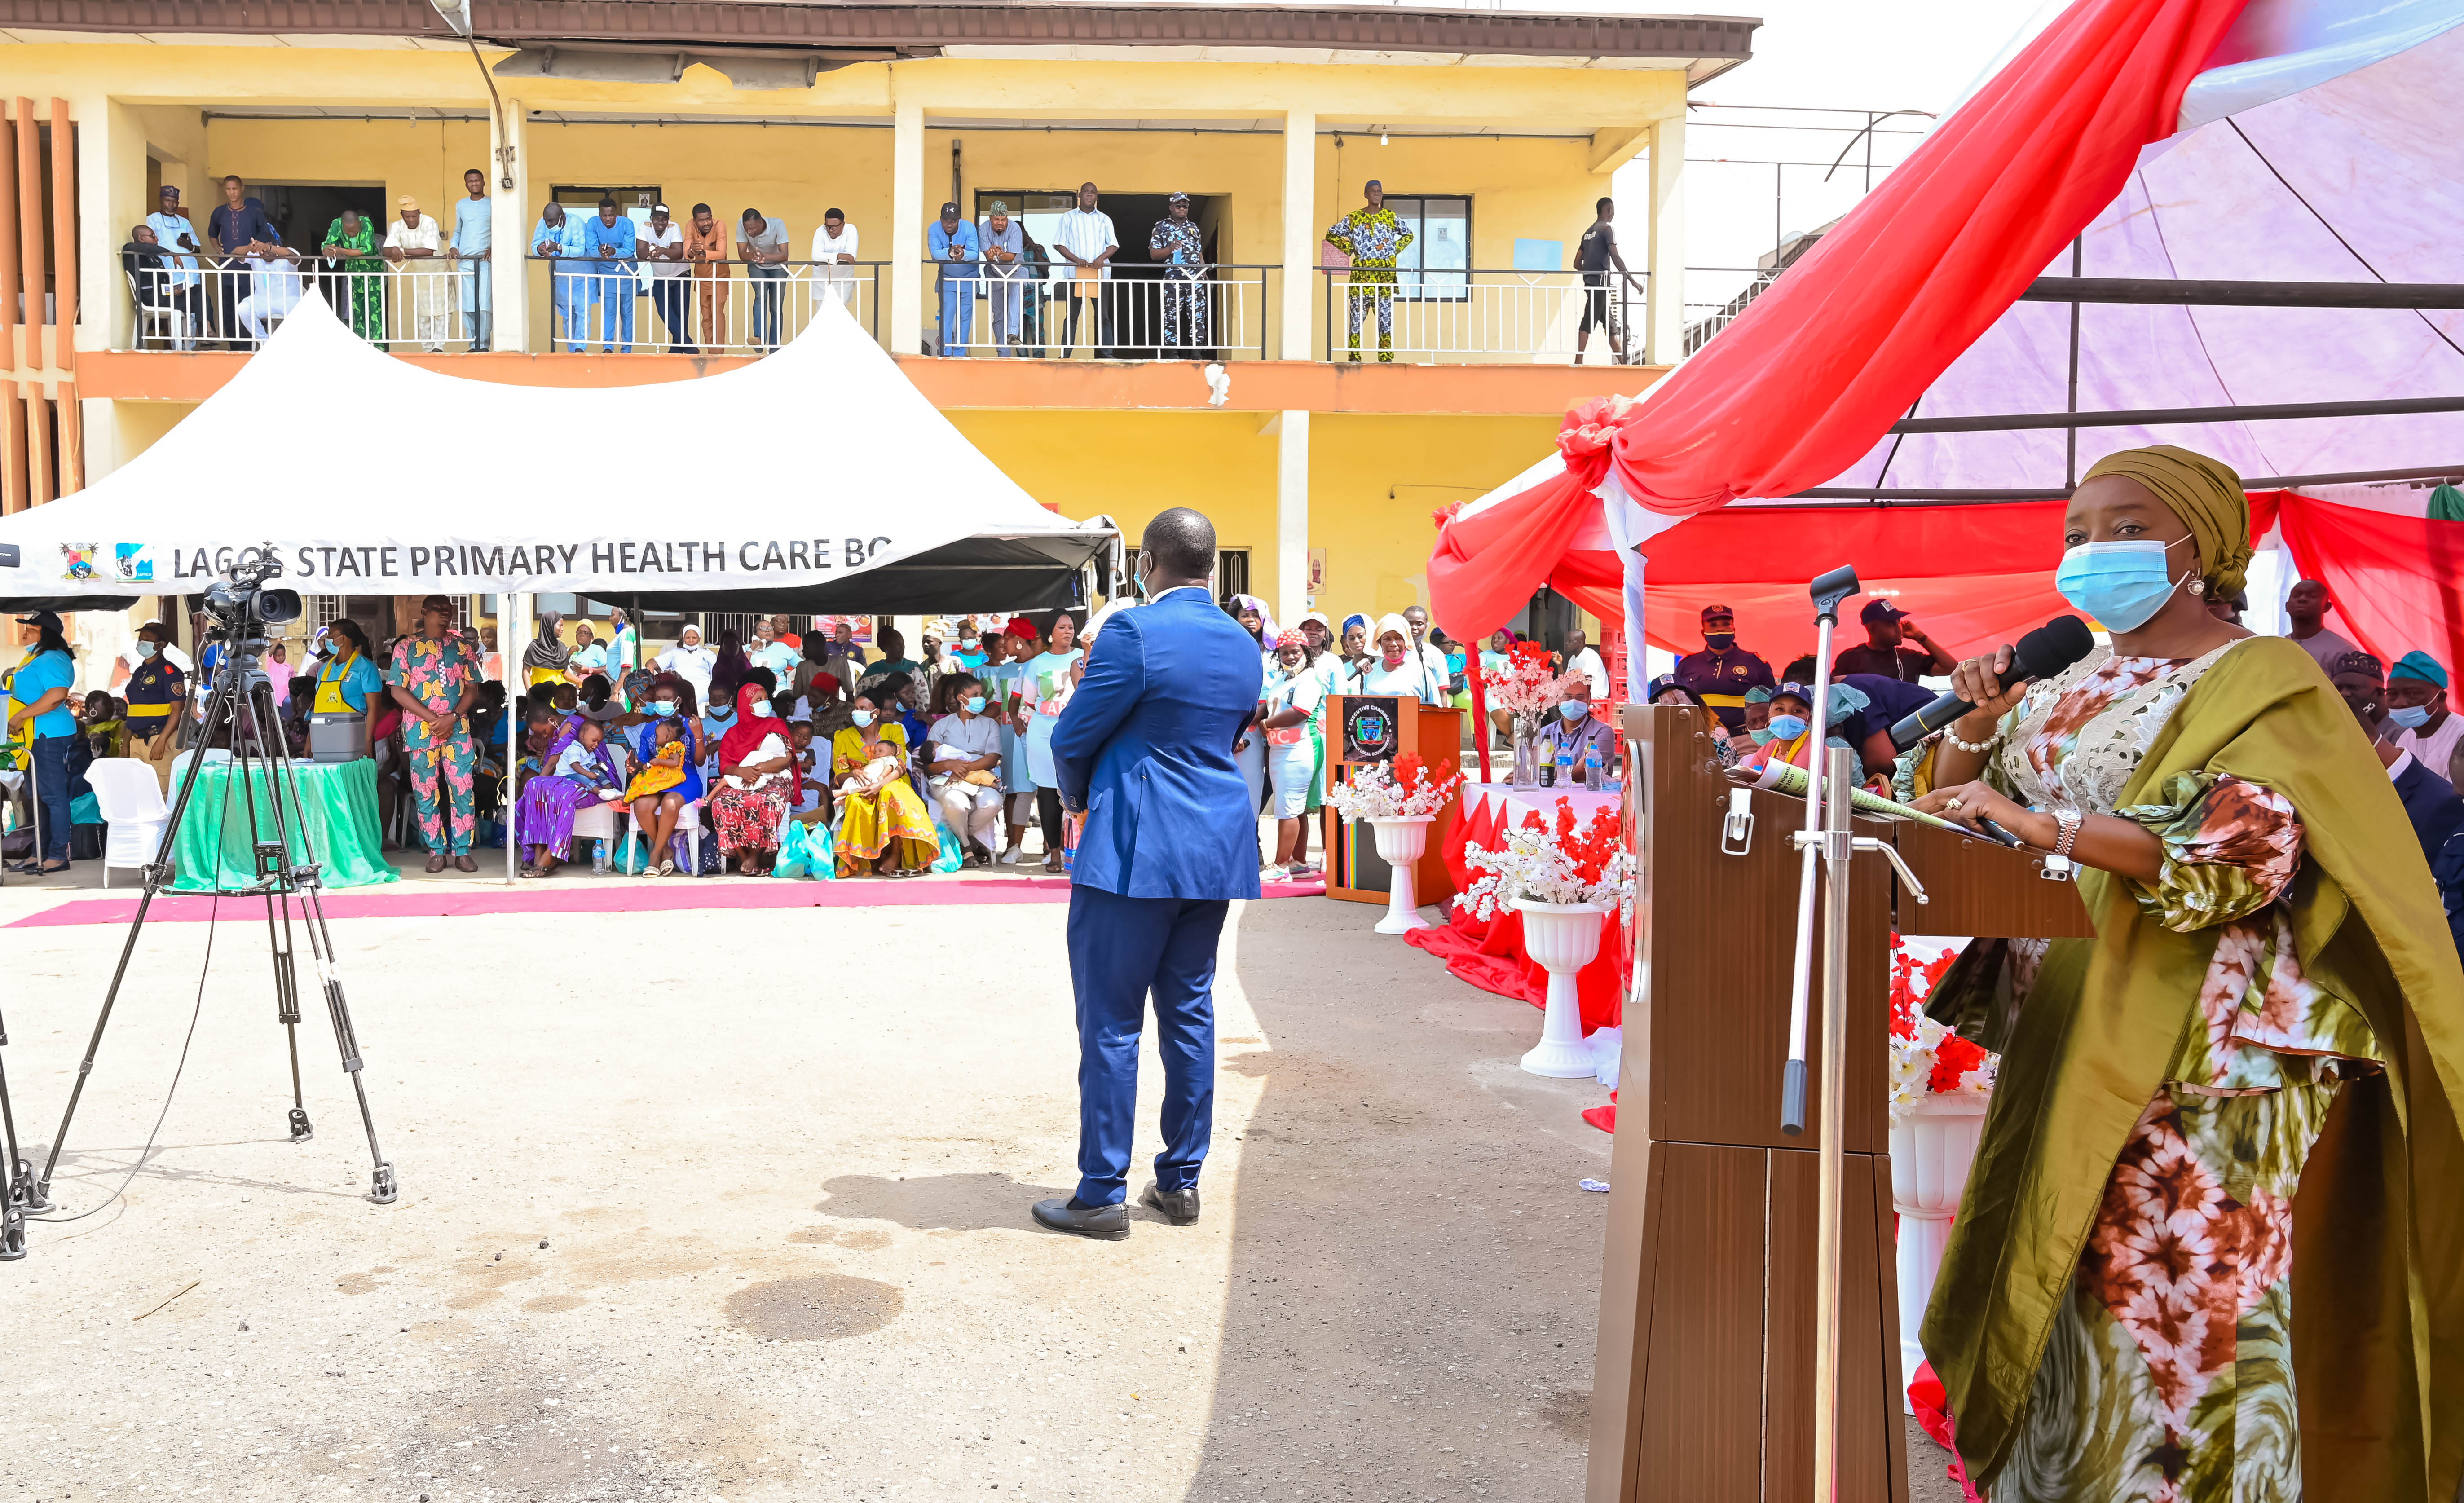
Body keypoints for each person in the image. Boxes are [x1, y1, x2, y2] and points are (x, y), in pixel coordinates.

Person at [1906, 444, 2464, 1499]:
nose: (2090, 551)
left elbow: (2243, 855)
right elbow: (1960, 810)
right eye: (2075, 532)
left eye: (2121, 527)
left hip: (2203, 1059)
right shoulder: (2064, 679)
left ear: (2198, 544)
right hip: (2067, 1020)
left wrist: (2049, 825)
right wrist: (1973, 730)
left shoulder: (2261, 678)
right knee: (2066, 1292)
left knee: (2177, 1318)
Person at [1033, 507, 1260, 1240]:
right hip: (1214, 848)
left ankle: (1101, 1190)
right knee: (1190, 1011)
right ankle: (1180, 1181)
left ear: (1146, 563)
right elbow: (1223, 735)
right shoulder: (1243, 641)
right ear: (1211, 562)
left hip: (1134, 844)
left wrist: (1074, 797)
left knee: (1112, 1020)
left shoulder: (1132, 630)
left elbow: (1072, 733)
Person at [383, 595, 483, 872]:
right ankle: (436, 851)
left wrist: (452, 717)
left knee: (463, 789)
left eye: (448, 610)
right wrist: (433, 719)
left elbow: (473, 687)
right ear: (424, 612)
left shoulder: (463, 648)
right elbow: (397, 689)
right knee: (425, 791)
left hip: (457, 729)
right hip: (420, 730)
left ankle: (463, 851)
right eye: (438, 609)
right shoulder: (406, 647)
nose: (444, 614)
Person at [833, 687, 937, 877]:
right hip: (860, 786)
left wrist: (880, 784)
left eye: (864, 708)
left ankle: (896, 855)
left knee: (891, 795)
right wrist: (853, 772)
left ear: (876, 712)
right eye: (856, 708)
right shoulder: (844, 737)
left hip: (893, 781)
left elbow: (900, 766)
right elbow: (838, 776)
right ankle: (866, 858)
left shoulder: (895, 730)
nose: (858, 712)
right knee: (856, 802)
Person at [5, 611, 79, 875]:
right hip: (32, 735)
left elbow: (57, 695)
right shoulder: (34, 656)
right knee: (37, 796)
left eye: (32, 629)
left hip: (49, 734)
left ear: (45, 633)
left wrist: (21, 715)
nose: (25, 633)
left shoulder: (53, 658)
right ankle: (39, 853)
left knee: (53, 796)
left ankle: (58, 855)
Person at [1017, 615, 1085, 872]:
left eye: (1071, 628)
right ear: (1050, 634)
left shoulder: (1082, 656)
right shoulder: (1037, 664)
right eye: (1062, 628)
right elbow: (1029, 699)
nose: (1068, 632)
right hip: (1044, 729)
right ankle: (1054, 852)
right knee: (1048, 791)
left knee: (1077, 787)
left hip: (1076, 729)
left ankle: (1078, 850)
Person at [1257, 630, 1327, 881]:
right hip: (1279, 750)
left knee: (1288, 809)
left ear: (1306, 653)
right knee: (1295, 809)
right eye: (1284, 652)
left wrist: (1267, 724)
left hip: (1297, 751)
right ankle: (1297, 863)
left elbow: (1300, 712)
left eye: (1295, 651)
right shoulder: (1282, 680)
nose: (1289, 656)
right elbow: (1266, 705)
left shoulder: (1309, 680)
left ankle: (1280, 866)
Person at [517, 715, 623, 877]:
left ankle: (551, 855)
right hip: (567, 778)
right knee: (534, 786)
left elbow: (558, 764)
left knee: (564, 796)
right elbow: (557, 764)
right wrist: (540, 782)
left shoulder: (572, 727)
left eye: (544, 731)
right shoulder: (573, 743)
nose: (544, 736)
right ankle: (538, 853)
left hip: (587, 784)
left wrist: (595, 776)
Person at [707, 683, 795, 874]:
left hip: (774, 777)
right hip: (741, 778)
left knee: (769, 800)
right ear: (746, 705)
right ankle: (742, 854)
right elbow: (725, 766)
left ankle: (754, 855)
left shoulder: (776, 725)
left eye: (765, 699)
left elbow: (787, 758)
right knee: (722, 802)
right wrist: (741, 770)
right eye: (758, 700)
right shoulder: (733, 733)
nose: (765, 703)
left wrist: (759, 769)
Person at [1324, 179, 1413, 362]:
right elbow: (1331, 234)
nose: (1377, 194)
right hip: (1362, 277)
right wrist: (1350, 249)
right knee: (1357, 319)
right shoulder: (1354, 218)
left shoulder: (1390, 217)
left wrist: (1393, 249)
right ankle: (1354, 356)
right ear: (1366, 194)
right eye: (1373, 191)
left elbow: (1409, 234)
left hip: (1384, 277)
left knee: (1385, 319)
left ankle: (1386, 357)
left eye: (1379, 191)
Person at [625, 674, 704, 877]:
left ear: (678, 702)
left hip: (686, 778)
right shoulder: (649, 729)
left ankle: (655, 855)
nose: (662, 702)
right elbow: (644, 763)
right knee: (641, 805)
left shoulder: (691, 725)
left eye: (668, 699)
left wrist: (698, 736)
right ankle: (666, 849)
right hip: (657, 778)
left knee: (670, 804)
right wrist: (634, 766)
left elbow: (701, 761)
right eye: (659, 698)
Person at [927, 671, 1004, 866]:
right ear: (961, 698)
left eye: (982, 694)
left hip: (980, 775)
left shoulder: (990, 725)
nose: (982, 699)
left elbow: (992, 759)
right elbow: (930, 763)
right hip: (947, 778)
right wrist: (949, 766)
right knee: (957, 803)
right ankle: (968, 848)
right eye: (976, 694)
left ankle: (962, 839)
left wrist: (963, 769)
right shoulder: (941, 725)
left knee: (992, 803)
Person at [1671, 605, 1776, 733]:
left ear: (1734, 629)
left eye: (1726, 624)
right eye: (1713, 625)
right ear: (1703, 632)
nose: (1720, 629)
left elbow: (1773, 702)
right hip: (1698, 736)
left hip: (1743, 738)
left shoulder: (1756, 663)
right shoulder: (1687, 664)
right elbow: (1676, 702)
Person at [206, 175, 278, 349]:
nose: (232, 192)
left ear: (242, 188)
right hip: (228, 268)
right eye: (229, 189)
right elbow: (212, 234)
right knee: (229, 308)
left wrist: (255, 247)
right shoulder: (220, 212)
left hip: (251, 269)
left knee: (248, 307)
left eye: (235, 189)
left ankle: (251, 347)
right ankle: (235, 347)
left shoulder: (255, 213)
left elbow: (265, 236)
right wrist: (219, 250)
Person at [1573, 197, 1644, 365]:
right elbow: (1616, 257)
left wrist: (1589, 275)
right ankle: (1578, 361)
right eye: (1613, 210)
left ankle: (1624, 363)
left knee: (1611, 327)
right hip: (1600, 284)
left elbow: (1576, 264)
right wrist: (1631, 280)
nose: (1614, 213)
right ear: (1608, 210)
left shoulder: (1587, 233)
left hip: (1593, 284)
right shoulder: (1607, 230)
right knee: (1588, 321)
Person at [1053, 181, 1118, 358]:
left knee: (1103, 316)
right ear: (1079, 196)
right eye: (1086, 192)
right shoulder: (1068, 218)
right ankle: (1065, 354)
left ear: (1097, 197)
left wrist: (1101, 259)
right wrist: (1076, 260)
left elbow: (1113, 245)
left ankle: (1108, 353)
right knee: (1072, 316)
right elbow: (1059, 244)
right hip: (1076, 274)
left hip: (1100, 275)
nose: (1090, 195)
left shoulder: (1104, 219)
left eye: (1093, 192)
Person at [2385, 649, 2464, 787]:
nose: (2399, 703)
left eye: (2413, 694)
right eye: (2392, 695)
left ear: (2440, 698)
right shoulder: (2405, 739)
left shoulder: (2460, 735)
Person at [381, 197, 451, 352]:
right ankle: (427, 349)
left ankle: (438, 347)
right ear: (402, 215)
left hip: (439, 272)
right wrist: (393, 249)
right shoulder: (397, 226)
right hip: (419, 274)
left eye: (414, 216)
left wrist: (401, 251)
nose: (412, 220)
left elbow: (429, 250)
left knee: (442, 311)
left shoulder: (429, 222)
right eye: (408, 216)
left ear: (420, 213)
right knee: (423, 313)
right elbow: (387, 249)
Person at [1833, 599, 1956, 681]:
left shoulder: (1908, 656)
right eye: (1891, 624)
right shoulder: (1850, 658)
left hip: (1909, 721)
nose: (1899, 628)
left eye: (1899, 622)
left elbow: (1952, 668)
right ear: (1872, 628)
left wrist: (1920, 637)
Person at [313, 618, 388, 753]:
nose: (327, 639)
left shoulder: (366, 667)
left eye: (331, 635)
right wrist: (310, 740)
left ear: (344, 639)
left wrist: (367, 743)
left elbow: (374, 709)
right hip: (323, 737)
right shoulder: (325, 670)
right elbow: (317, 708)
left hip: (353, 738)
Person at [123, 225, 203, 349]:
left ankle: (207, 328)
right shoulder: (130, 250)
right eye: (153, 236)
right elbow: (146, 248)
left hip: (164, 297)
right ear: (141, 238)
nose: (157, 239)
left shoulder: (155, 258)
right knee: (196, 300)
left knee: (198, 291)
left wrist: (174, 290)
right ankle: (204, 332)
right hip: (151, 299)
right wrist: (171, 254)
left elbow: (164, 282)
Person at [1149, 191, 1209, 353]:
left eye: (1185, 206)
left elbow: (1199, 253)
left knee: (1198, 317)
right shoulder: (1161, 226)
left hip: (1195, 279)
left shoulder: (1194, 228)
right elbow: (1154, 254)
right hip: (1173, 279)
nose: (1182, 209)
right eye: (1178, 206)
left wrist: (1204, 274)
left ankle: (1197, 354)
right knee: (1171, 317)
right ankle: (1172, 353)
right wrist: (1170, 249)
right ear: (1171, 207)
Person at [581, 197, 639, 354]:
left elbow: (629, 251)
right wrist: (600, 250)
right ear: (599, 214)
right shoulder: (593, 223)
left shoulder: (627, 224)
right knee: (609, 311)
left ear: (616, 213)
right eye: (604, 216)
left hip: (627, 271)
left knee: (627, 313)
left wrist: (614, 251)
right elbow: (592, 250)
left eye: (611, 215)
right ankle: (608, 347)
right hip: (606, 272)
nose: (608, 219)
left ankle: (627, 349)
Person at [1353, 614, 1450, 706]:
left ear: (1406, 641)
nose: (1393, 644)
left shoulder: (1422, 672)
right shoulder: (1370, 672)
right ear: (1379, 642)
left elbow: (1436, 710)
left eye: (1399, 638)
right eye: (1387, 639)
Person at [320, 207, 386, 342]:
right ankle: (361, 343)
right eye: (348, 231)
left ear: (360, 224)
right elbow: (327, 245)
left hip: (372, 273)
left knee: (375, 311)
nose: (352, 234)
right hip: (353, 273)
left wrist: (341, 250)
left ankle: (378, 346)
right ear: (342, 225)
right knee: (357, 310)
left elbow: (366, 250)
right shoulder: (336, 225)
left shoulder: (367, 223)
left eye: (355, 231)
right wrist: (327, 250)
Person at [531, 200, 590, 349]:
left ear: (562, 217)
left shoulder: (575, 222)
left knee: (582, 313)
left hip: (581, 275)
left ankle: (580, 349)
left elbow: (580, 250)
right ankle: (572, 350)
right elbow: (535, 244)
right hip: (560, 276)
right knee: (567, 315)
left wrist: (558, 247)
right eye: (547, 222)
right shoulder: (542, 223)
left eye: (552, 221)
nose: (549, 225)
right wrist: (540, 250)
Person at [145, 185, 205, 331]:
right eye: (168, 201)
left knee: (192, 314)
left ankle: (191, 346)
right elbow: (148, 246)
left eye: (174, 202)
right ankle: (178, 348)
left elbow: (198, 250)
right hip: (169, 275)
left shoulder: (184, 222)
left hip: (190, 274)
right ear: (161, 200)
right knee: (176, 314)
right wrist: (171, 253)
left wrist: (189, 245)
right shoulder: (152, 220)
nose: (171, 205)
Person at [449, 167, 493, 351]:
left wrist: (494, 247)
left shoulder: (493, 204)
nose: (474, 184)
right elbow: (458, 229)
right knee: (468, 306)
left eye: (477, 180)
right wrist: (453, 246)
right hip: (465, 261)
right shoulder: (461, 205)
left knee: (484, 306)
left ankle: (483, 345)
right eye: (470, 181)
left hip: (484, 262)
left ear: (484, 182)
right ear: (466, 184)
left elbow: (500, 229)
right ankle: (473, 344)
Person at [928, 200, 979, 355]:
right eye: (946, 220)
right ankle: (945, 351)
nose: (949, 224)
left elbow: (975, 253)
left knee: (965, 317)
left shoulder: (969, 227)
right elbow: (935, 253)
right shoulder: (934, 228)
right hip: (947, 278)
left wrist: (963, 254)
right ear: (941, 219)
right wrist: (950, 252)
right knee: (947, 315)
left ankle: (959, 353)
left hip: (969, 278)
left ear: (959, 220)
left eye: (953, 221)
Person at [2282, 577, 2358, 678]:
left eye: (2312, 596)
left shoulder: (2344, 651)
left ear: (2327, 607)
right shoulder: (2279, 646)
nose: (2302, 599)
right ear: (2287, 606)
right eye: (2297, 595)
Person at [236, 232, 305, 344]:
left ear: (274, 246)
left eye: (268, 250)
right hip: (263, 300)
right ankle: (265, 342)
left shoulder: (286, 252)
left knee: (306, 313)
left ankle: (294, 344)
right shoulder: (255, 256)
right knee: (243, 309)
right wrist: (250, 248)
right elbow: (235, 254)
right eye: (262, 251)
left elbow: (295, 258)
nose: (266, 254)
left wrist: (269, 248)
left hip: (289, 300)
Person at [737, 208, 791, 350]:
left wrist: (765, 257)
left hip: (779, 268)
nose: (749, 232)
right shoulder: (742, 225)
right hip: (757, 266)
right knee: (760, 297)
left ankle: (774, 348)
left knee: (776, 308)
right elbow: (743, 255)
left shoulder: (778, 225)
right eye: (747, 229)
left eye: (753, 229)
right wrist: (754, 256)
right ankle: (759, 338)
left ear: (761, 223)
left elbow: (784, 255)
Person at [639, 203, 690, 351]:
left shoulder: (674, 227)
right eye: (657, 219)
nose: (661, 222)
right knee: (664, 312)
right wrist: (652, 253)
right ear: (651, 219)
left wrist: (660, 250)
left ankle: (677, 350)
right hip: (660, 277)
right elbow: (640, 253)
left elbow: (678, 254)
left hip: (681, 274)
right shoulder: (645, 227)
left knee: (681, 314)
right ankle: (688, 344)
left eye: (665, 219)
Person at [978, 202, 1026, 353]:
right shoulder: (983, 229)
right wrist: (992, 254)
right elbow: (988, 256)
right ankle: (1003, 352)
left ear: (1007, 219)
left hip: (1015, 270)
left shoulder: (1015, 228)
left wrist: (1000, 253)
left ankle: (1013, 333)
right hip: (994, 272)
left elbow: (1012, 255)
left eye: (1003, 219)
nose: (1000, 223)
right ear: (990, 218)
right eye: (997, 219)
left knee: (1015, 303)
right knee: (999, 315)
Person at [683, 204, 731, 350]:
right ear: (695, 221)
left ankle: (719, 354)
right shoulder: (690, 225)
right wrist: (692, 250)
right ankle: (711, 353)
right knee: (706, 318)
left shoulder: (719, 225)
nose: (706, 223)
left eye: (709, 219)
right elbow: (687, 252)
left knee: (717, 315)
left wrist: (703, 252)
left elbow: (721, 253)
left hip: (719, 277)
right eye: (702, 220)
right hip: (702, 278)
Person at [810, 207, 861, 310]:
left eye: (834, 227)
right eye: (827, 226)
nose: (830, 230)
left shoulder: (851, 230)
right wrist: (839, 256)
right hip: (821, 281)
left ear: (843, 225)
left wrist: (826, 257)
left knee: (840, 315)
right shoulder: (820, 231)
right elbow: (816, 256)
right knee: (822, 315)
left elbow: (851, 256)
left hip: (843, 280)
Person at [657, 621, 716, 705]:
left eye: (694, 638)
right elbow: (653, 663)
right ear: (683, 638)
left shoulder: (707, 654)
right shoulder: (675, 652)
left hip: (703, 693)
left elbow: (717, 671)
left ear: (699, 639)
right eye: (688, 637)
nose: (691, 640)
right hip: (680, 691)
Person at [524, 609, 572, 689]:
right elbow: (526, 671)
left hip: (559, 693)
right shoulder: (534, 647)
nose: (562, 629)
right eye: (560, 625)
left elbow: (565, 673)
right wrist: (530, 692)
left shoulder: (562, 647)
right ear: (549, 625)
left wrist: (580, 682)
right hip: (540, 692)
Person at [1559, 624, 1608, 701]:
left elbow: (1585, 684)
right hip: (1579, 695)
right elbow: (1565, 681)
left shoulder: (1591, 656)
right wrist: (1560, 665)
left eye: (1570, 641)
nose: (1567, 644)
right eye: (1567, 641)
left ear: (1580, 642)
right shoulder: (1573, 659)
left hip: (1595, 697)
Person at [748, 617, 800, 686]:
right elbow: (740, 668)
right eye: (763, 629)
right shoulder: (746, 649)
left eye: (770, 629)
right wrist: (751, 650)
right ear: (755, 633)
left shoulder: (783, 648)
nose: (768, 631)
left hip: (779, 692)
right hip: (754, 692)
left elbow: (801, 665)